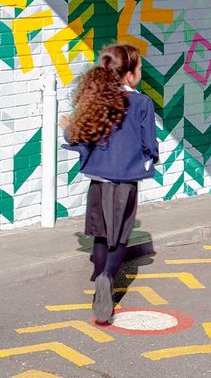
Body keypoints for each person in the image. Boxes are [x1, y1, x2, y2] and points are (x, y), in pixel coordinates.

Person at [59, 43, 159, 324]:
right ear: (129, 75)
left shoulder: (97, 100)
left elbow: (77, 138)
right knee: (120, 237)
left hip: (98, 182)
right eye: (138, 69)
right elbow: (148, 144)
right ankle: (106, 278)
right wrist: (153, 155)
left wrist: (67, 127)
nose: (140, 73)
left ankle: (98, 285)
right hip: (125, 182)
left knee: (101, 235)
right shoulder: (142, 103)